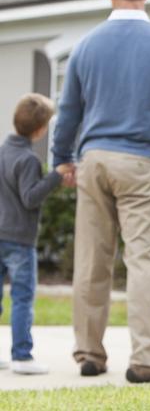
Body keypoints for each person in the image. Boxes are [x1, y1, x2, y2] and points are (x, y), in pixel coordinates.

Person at [51, 0, 150, 383]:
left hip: (94, 159)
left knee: (92, 262)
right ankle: (147, 358)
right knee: (142, 262)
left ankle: (90, 354)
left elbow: (67, 112)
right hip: (144, 161)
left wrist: (62, 157)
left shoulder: (86, 45)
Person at [0, 94, 74, 375]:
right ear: (41, 130)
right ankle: (22, 356)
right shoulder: (28, 159)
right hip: (19, 239)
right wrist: (55, 175)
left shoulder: (2, 150)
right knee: (21, 298)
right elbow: (30, 198)